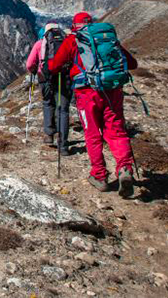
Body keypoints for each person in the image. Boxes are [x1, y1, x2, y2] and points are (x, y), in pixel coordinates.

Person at [47, 12, 138, 197]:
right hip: (112, 91)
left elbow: (54, 66)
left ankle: (99, 176)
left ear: (74, 25)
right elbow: (132, 63)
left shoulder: (73, 40)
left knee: (92, 133)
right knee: (117, 131)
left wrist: (66, 66)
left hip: (87, 94)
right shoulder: (105, 38)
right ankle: (125, 168)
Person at [26, 22, 72, 156]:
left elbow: (29, 64)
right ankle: (63, 145)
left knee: (48, 104)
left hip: (45, 78)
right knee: (63, 109)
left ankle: (49, 136)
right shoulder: (67, 42)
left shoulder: (40, 43)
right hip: (63, 77)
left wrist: (35, 70)